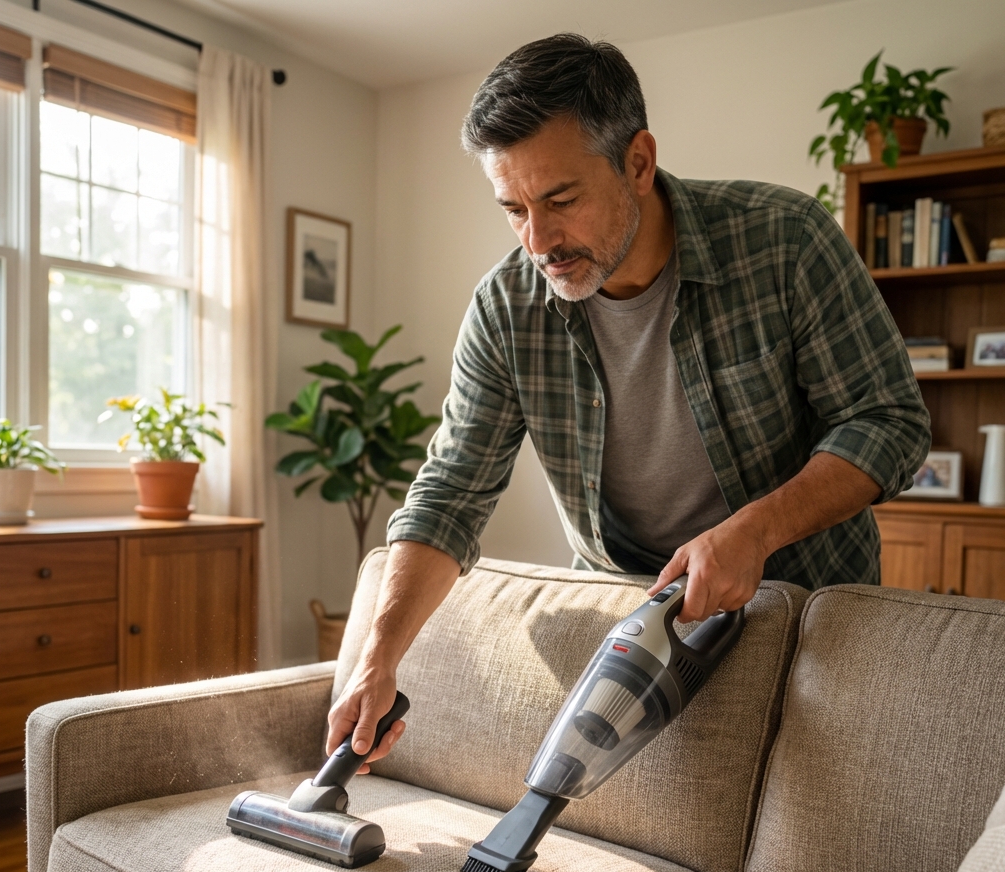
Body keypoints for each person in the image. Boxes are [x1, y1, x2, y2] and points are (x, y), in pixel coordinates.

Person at [327, 33, 931, 769]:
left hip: (809, 613)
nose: (538, 239)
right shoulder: (506, 308)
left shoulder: (786, 242)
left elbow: (889, 422)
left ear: (638, 162)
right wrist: (377, 657)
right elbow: (451, 492)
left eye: (561, 200)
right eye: (512, 208)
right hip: (631, 624)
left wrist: (753, 531)